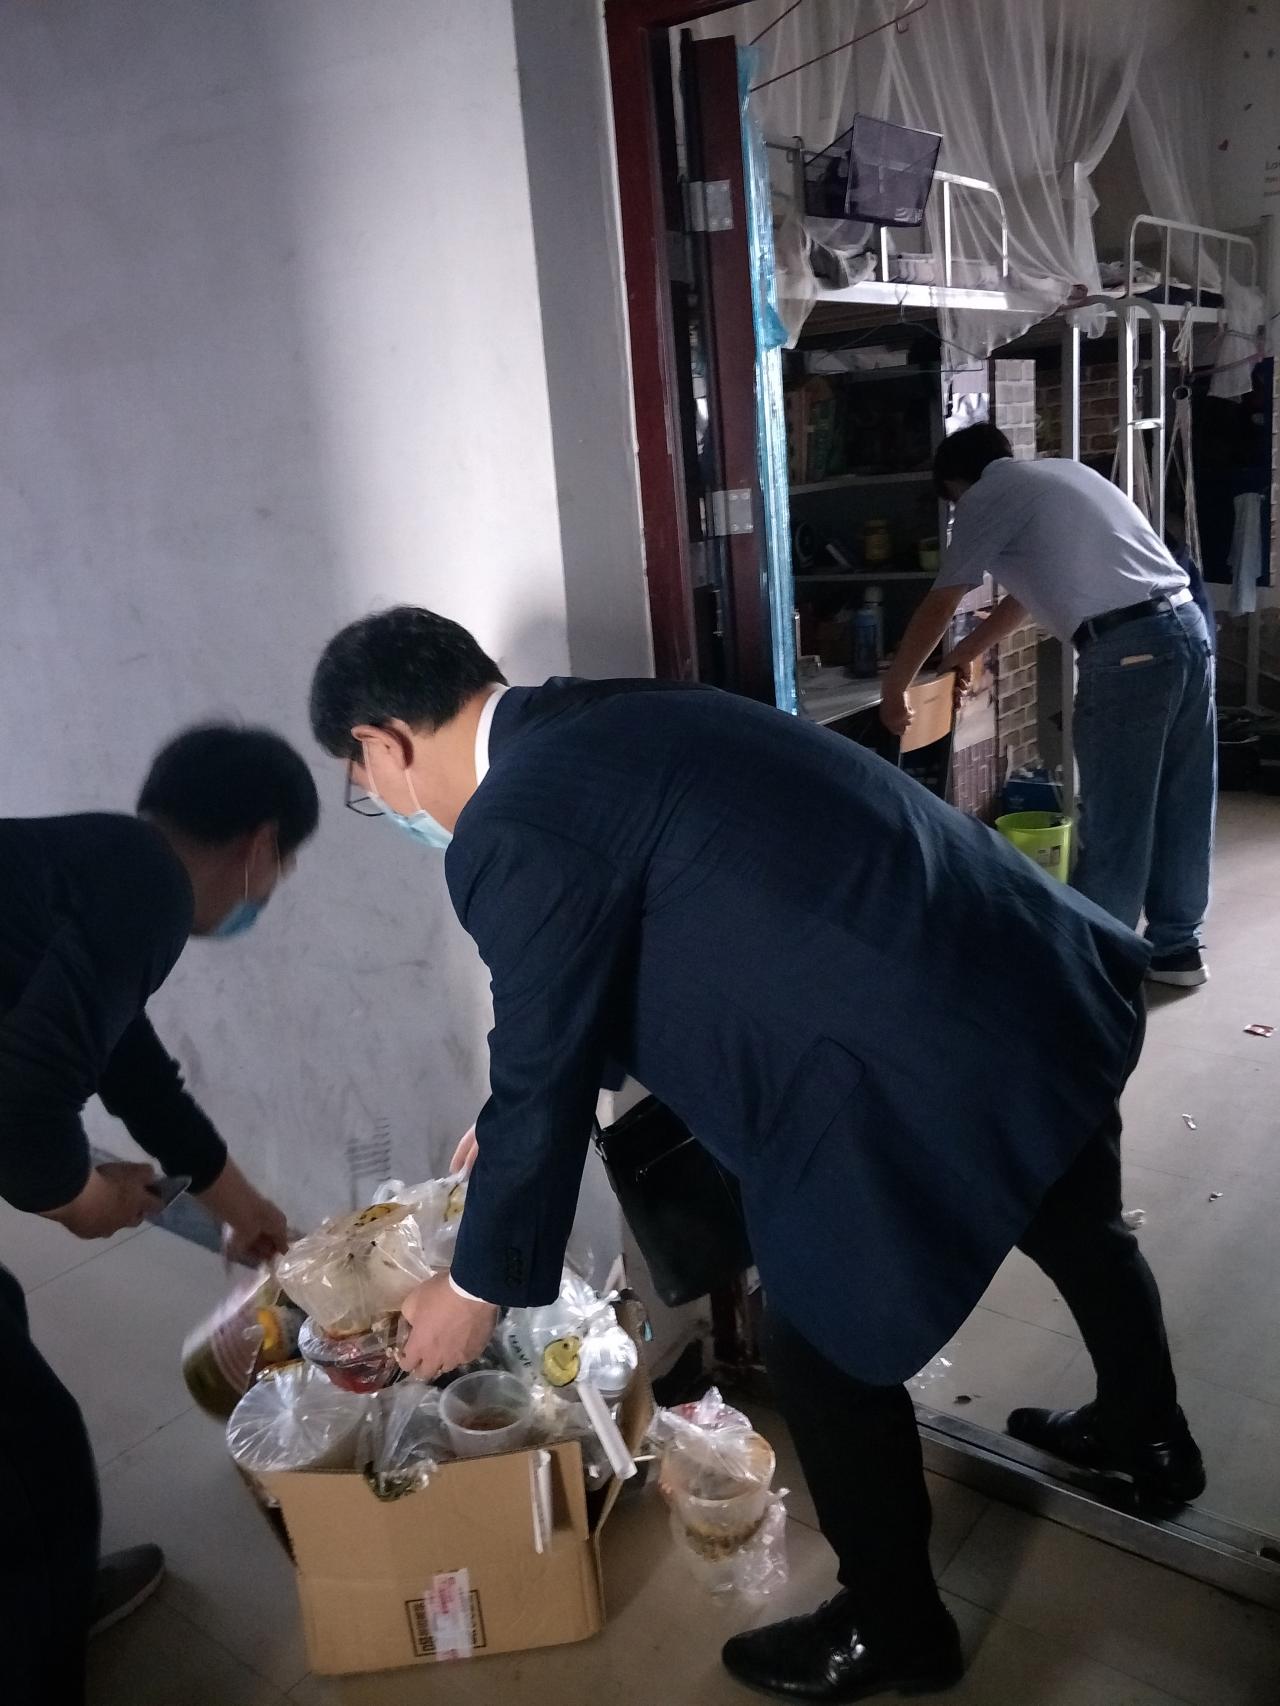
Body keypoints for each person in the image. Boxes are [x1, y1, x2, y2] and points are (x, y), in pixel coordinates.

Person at [308, 607, 1204, 1704]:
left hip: (917, 1043)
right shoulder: (610, 711)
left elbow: (539, 1053)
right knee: (1073, 1212)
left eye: (365, 782)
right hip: (1019, 966)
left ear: (385, 742)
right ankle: (1149, 1437)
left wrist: (473, 1285)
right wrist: (510, 1124)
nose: (386, 803)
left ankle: (898, 1633)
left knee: (818, 1351)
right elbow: (602, 950)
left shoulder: (511, 821)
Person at [0, 723, 319, 1706]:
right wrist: (86, 1199)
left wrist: (242, 1206)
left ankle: (47, 1600)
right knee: (27, 1446)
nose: (268, 892)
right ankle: (37, 1646)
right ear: (259, 847)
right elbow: (23, 1114)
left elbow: (132, 1070)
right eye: (282, 870)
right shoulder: (146, 887)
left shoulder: (104, 862)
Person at [880, 423, 1217, 990]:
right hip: (1186, 627)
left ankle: (1095, 970)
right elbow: (1023, 599)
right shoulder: (1063, 473)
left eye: (953, 501)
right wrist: (961, 656)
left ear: (957, 483)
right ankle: (1177, 950)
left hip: (1129, 652)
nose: (958, 512)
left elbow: (943, 598)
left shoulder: (987, 493)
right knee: (1184, 801)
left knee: (1117, 817)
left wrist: (896, 688)